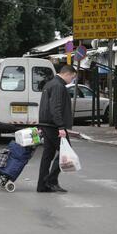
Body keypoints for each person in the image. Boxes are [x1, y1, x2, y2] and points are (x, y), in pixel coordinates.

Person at [37, 65, 77, 193]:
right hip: (54, 125)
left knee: (47, 155)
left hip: (46, 124)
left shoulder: (49, 84)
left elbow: (44, 106)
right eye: (73, 77)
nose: (72, 80)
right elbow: (56, 107)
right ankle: (51, 180)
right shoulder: (58, 86)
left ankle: (42, 185)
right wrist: (61, 126)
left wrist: (40, 124)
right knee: (66, 152)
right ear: (67, 74)